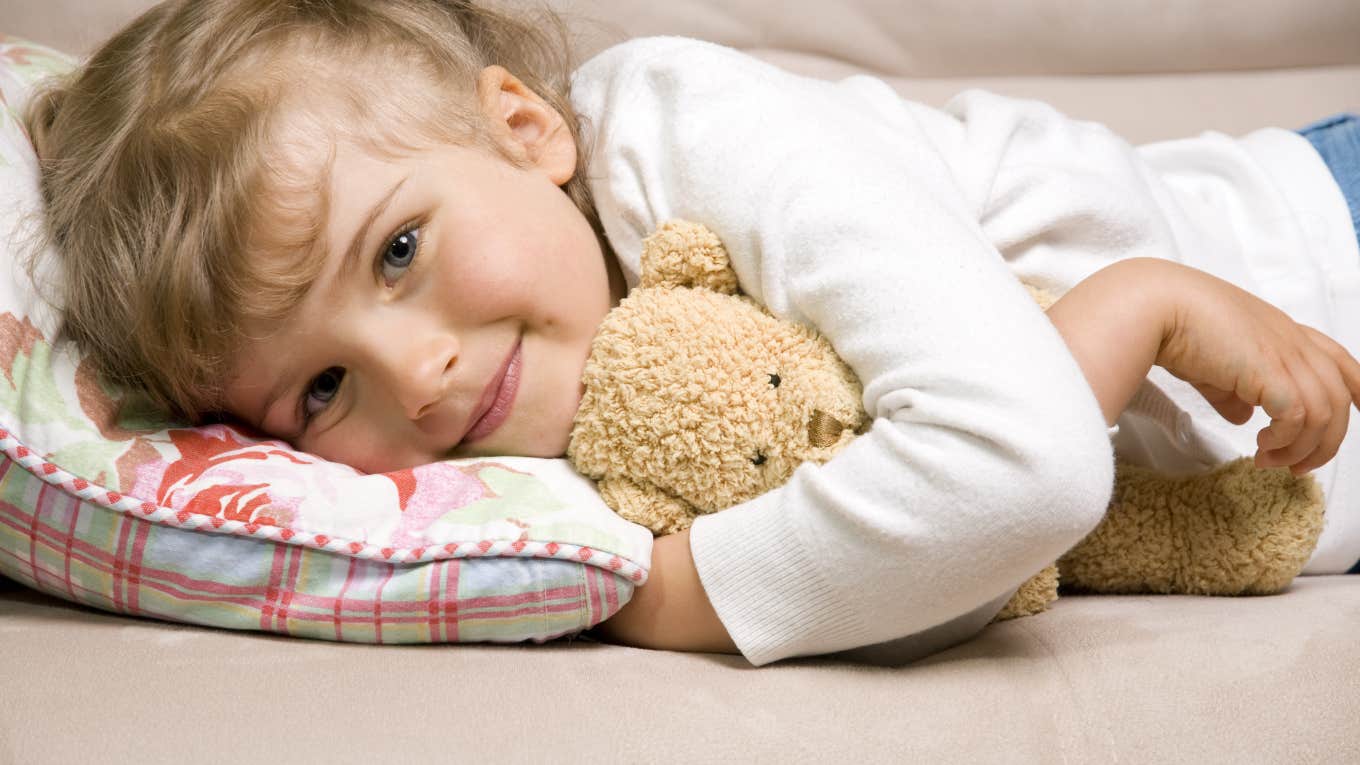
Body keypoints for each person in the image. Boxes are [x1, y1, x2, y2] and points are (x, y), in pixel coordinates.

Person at [21, 0, 1360, 666]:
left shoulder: (693, 129)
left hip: (1325, 240)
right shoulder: (515, 476)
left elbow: (1026, 466)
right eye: (317, 389)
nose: (413, 376)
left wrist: (676, 595)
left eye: (401, 249)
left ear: (523, 131)